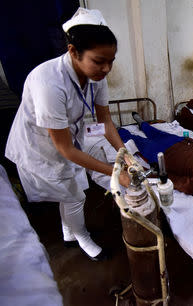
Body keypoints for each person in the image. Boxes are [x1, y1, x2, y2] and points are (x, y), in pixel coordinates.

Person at [5, 8, 130, 261]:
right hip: (40, 146)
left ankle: (68, 232)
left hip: (66, 140)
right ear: (73, 51)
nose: (106, 69)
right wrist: (116, 171)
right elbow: (64, 149)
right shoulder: (48, 81)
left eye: (111, 61)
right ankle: (81, 236)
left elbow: (105, 121)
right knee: (74, 194)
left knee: (70, 191)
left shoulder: (97, 77)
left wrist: (125, 154)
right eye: (99, 61)